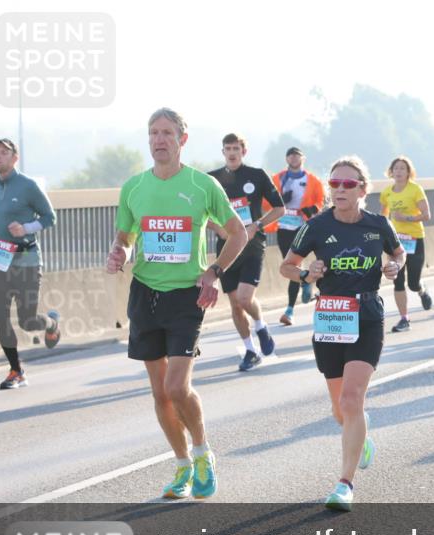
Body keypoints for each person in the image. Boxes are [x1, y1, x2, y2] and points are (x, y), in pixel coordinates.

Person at [106, 107, 247, 499]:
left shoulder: (203, 186)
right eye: (153, 133)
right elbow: (125, 237)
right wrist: (117, 253)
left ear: (182, 140)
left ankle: (203, 453)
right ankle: (183, 465)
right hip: (145, 294)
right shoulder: (134, 187)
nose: (159, 140)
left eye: (167, 133)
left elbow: (238, 234)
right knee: (160, 393)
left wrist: (214, 271)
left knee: (177, 386)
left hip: (187, 295)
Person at [280, 156, 406, 511]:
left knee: (351, 400)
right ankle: (360, 434)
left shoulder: (378, 224)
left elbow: (398, 253)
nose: (339, 189)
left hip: (366, 315)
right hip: (331, 317)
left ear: (363, 189)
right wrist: (307, 273)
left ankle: (345, 484)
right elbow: (286, 266)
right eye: (334, 183)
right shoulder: (317, 226)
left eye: (348, 185)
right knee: (342, 411)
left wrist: (395, 265)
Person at [0, 139, 62, 389]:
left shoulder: (28, 185)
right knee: (0, 315)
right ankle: (16, 371)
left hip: (27, 258)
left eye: (3, 153)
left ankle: (51, 323)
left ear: (14, 158)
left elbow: (50, 217)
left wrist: (25, 228)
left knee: (27, 320)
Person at [208, 133, 284, 371]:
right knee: (235, 304)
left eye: (236, 149)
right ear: (223, 152)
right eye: (227, 149)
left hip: (252, 245)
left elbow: (279, 209)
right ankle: (250, 351)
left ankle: (261, 326)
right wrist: (218, 228)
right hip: (226, 247)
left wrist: (257, 225)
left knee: (244, 297)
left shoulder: (257, 176)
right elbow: (199, 213)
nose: (232, 153)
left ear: (243, 152)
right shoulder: (212, 179)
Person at [270, 147, 325, 325]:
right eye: (290, 155)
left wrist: (311, 210)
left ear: (303, 158)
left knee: (301, 263)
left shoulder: (312, 180)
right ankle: (304, 282)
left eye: (297, 155)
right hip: (284, 226)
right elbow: (265, 200)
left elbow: (321, 201)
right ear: (286, 158)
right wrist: (280, 200)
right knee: (290, 265)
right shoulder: (277, 179)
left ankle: (291, 308)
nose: (293, 158)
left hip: (304, 227)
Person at [380, 155, 433, 333]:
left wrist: (407, 218)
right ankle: (404, 318)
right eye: (396, 168)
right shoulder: (386, 192)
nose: (399, 171)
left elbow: (427, 215)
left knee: (413, 282)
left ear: (409, 172)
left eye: (403, 168)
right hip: (396, 242)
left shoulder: (415, 189)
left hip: (415, 238)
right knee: (397, 280)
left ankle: (421, 289)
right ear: (391, 171)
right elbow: (383, 217)